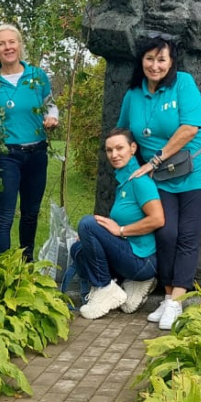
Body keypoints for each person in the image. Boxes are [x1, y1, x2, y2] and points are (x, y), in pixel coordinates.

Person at [119, 36, 201, 330]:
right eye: (150, 59)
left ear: (172, 62)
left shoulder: (183, 84)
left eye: (162, 59)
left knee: (188, 234)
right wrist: (128, 168)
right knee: (165, 232)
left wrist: (155, 160)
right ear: (141, 61)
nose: (155, 65)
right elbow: (124, 133)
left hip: (197, 169)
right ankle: (167, 296)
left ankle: (176, 300)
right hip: (161, 176)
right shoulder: (133, 95)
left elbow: (190, 128)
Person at [0, 24, 58, 260]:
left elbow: (50, 104)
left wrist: (52, 117)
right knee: (5, 214)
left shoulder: (37, 76)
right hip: (5, 154)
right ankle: (3, 267)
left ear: (19, 45)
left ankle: (26, 262)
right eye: (1, 43)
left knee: (31, 213)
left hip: (37, 153)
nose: (8, 47)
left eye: (12, 42)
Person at [71, 129, 165, 319]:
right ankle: (125, 285)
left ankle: (105, 288)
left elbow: (158, 219)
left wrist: (121, 230)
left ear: (133, 148)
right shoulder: (124, 180)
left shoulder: (139, 181)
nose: (114, 154)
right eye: (109, 150)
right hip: (130, 255)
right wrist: (95, 236)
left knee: (88, 224)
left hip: (143, 260)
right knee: (79, 248)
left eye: (119, 148)